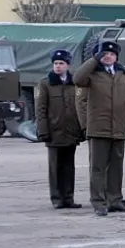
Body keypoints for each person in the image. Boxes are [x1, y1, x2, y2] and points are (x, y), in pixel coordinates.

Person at [75, 40, 125, 216]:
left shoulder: (122, 74)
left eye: (111, 54)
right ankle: (99, 202)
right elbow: (77, 79)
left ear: (116, 56)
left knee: (116, 167)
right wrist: (93, 60)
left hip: (118, 128)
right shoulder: (92, 75)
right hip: (98, 127)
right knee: (98, 168)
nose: (108, 57)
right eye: (104, 54)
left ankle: (115, 200)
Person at [35, 49, 83, 209]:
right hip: (54, 131)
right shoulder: (46, 83)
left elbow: (80, 107)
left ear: (68, 65)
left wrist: (81, 129)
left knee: (69, 167)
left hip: (71, 131)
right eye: (55, 63)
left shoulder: (74, 83)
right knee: (55, 167)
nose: (58, 66)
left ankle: (68, 197)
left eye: (61, 63)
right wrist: (43, 131)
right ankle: (57, 198)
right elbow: (41, 109)